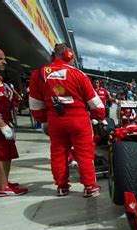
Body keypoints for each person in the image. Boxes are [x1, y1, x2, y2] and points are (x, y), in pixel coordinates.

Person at [29, 43, 105, 197]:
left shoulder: (38, 74)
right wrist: (99, 117)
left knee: (58, 153)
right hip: (79, 119)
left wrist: (43, 121)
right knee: (85, 154)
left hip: (55, 120)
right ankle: (89, 186)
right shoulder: (78, 74)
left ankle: (62, 187)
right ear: (69, 56)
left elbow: (35, 103)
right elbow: (95, 102)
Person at [0, 46, 27, 196]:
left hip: (0, 121)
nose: (4, 62)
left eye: (4, 58)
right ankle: (4, 188)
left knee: (2, 153)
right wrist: (2, 125)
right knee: (4, 153)